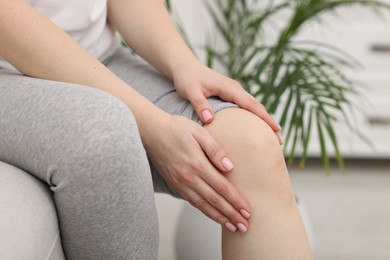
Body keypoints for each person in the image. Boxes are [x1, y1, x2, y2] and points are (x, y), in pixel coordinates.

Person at [0, 0, 313, 259]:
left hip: (98, 55)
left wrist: (183, 63)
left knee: (250, 144)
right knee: (104, 136)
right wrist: (152, 126)